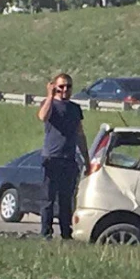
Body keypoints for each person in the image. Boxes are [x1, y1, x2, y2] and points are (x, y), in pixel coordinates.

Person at [37, 73, 90, 240]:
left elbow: (80, 135)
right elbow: (42, 117)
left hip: (69, 159)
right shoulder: (49, 104)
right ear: (54, 87)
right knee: (48, 200)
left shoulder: (75, 109)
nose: (65, 90)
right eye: (61, 86)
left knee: (66, 200)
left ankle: (66, 234)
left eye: (68, 86)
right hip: (52, 159)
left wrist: (87, 160)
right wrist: (50, 96)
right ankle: (46, 234)